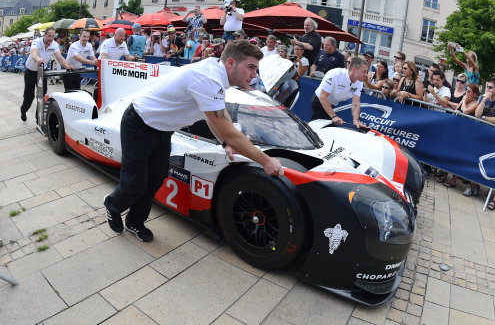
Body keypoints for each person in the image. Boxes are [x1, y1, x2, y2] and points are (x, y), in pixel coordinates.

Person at [103, 39, 283, 242]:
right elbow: (229, 130)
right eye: (251, 67)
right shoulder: (208, 79)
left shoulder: (216, 73)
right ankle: (113, 204)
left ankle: (135, 221)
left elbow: (212, 117)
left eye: (256, 69)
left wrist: (225, 143)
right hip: (140, 124)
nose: (254, 75)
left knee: (156, 179)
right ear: (231, 62)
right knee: (135, 182)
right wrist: (266, 161)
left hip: (163, 129)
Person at [20, 28, 74, 121]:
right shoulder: (37, 42)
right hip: (30, 72)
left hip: (42, 72)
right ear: (44, 35)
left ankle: (39, 118)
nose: (51, 38)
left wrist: (67, 66)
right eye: (49, 36)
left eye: (53, 36)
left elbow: (60, 58)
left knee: (42, 95)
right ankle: (23, 110)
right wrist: (39, 60)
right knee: (29, 96)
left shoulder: (54, 45)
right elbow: (34, 54)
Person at [310, 56, 368, 128]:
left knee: (314, 126)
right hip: (319, 101)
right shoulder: (335, 74)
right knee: (328, 127)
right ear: (354, 69)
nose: (366, 75)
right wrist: (334, 116)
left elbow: (356, 102)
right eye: (364, 71)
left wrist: (356, 121)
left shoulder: (359, 82)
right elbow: (323, 96)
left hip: (331, 104)